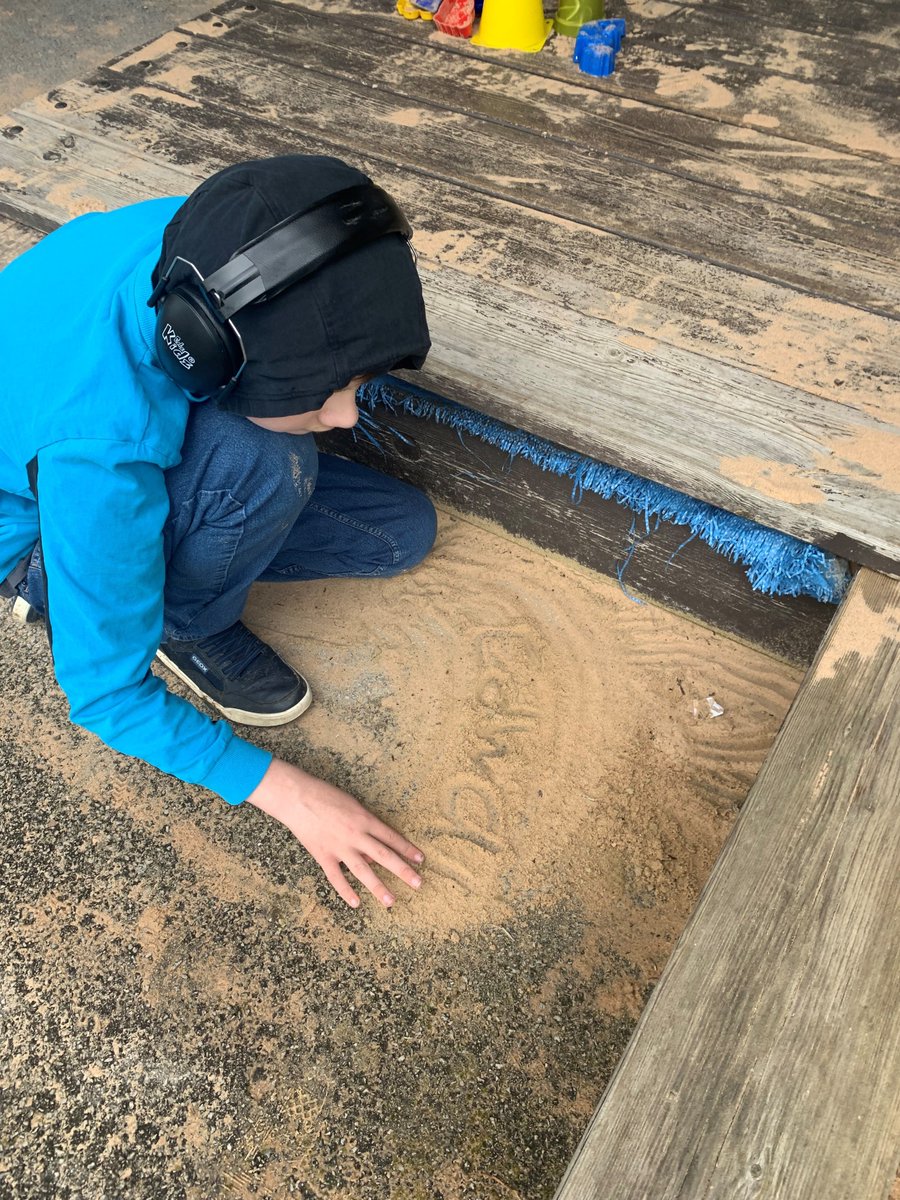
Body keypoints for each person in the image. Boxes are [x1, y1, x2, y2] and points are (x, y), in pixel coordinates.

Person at [0, 154, 437, 910]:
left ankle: (201, 533)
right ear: (206, 357)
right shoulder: (98, 455)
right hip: (43, 524)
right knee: (267, 456)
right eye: (327, 394)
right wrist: (293, 796)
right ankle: (180, 622)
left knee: (401, 533)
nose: (345, 416)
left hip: (90, 423)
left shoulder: (217, 248)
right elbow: (103, 694)